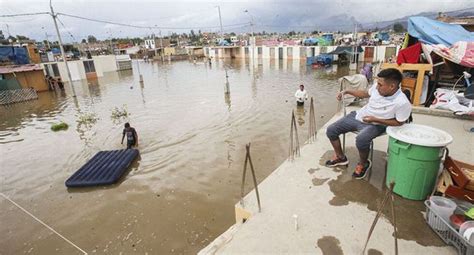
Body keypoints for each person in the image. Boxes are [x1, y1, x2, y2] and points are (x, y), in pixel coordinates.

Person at [325, 68, 411, 179]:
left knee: (361, 139)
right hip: (359, 116)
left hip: (377, 124)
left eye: (380, 84)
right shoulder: (377, 88)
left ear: (392, 86)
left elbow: (399, 122)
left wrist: (375, 119)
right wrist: (347, 91)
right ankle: (341, 157)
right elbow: (365, 93)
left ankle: (363, 163)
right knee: (331, 130)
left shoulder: (402, 102)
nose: (377, 86)